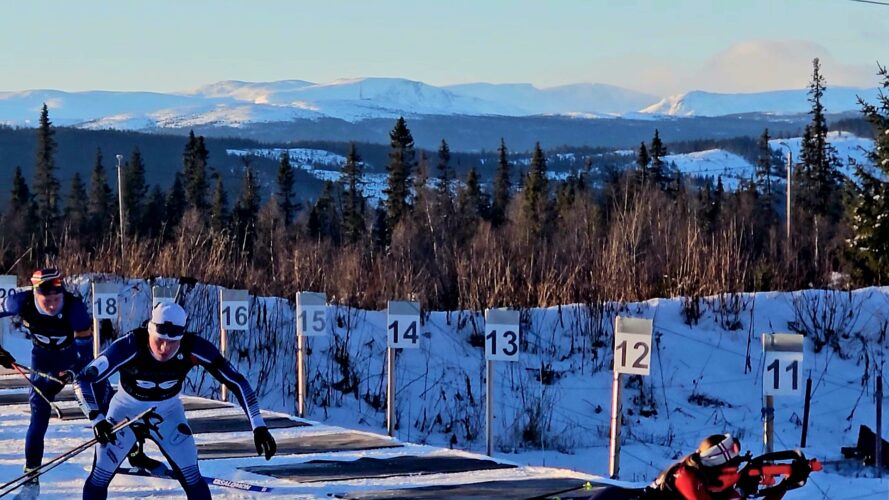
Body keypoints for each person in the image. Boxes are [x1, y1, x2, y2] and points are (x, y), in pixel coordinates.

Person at [75, 302, 277, 499]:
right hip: (124, 413)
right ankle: (136, 453)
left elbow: (237, 381)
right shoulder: (129, 345)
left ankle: (138, 453)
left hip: (168, 414)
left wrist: (258, 426)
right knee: (99, 478)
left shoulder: (193, 347)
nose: (164, 347)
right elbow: (83, 379)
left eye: (173, 342)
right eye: (159, 339)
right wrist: (97, 418)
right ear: (150, 331)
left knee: (192, 478)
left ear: (182, 337)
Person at [0, 268, 106, 495]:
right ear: (36, 294)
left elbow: (85, 353)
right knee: (38, 417)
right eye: (46, 300)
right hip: (43, 362)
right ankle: (31, 476)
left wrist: (72, 370)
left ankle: (134, 452)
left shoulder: (74, 308)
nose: (52, 304)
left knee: (104, 402)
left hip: (74, 359)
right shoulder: (19, 302)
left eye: (56, 299)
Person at [646, 433, 783, 500]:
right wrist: (741, 491)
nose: (736, 471)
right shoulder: (688, 479)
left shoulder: (705, 478)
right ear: (718, 466)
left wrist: (785, 486)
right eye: (733, 466)